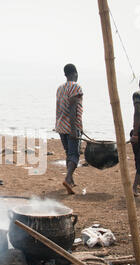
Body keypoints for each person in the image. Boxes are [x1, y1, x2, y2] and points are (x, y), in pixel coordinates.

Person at [55, 64, 83, 195]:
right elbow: (73, 109)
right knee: (74, 154)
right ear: (75, 73)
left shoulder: (60, 88)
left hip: (61, 125)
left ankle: (70, 179)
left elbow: (58, 108)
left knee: (68, 153)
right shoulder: (76, 87)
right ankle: (67, 178)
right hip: (71, 126)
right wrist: (73, 129)